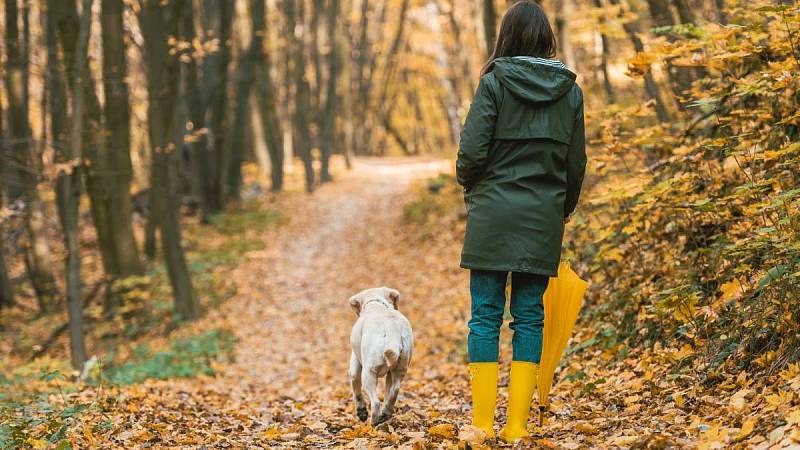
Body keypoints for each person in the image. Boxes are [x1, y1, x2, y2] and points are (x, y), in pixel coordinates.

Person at [455, 0, 587, 443]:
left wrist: (471, 187)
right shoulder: (570, 92)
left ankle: (481, 425)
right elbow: (575, 165)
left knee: (484, 316)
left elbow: (471, 153)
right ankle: (515, 428)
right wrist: (560, 210)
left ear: (506, 37)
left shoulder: (493, 84)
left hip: (492, 213)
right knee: (529, 318)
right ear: (546, 38)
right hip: (541, 218)